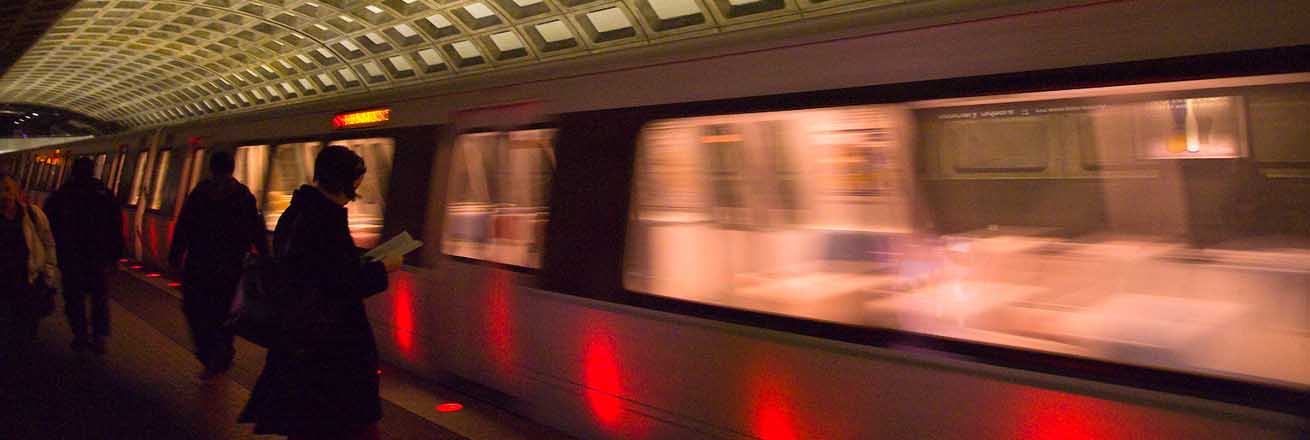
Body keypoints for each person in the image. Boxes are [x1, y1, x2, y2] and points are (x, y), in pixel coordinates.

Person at [239, 146, 403, 439]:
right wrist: (383, 268)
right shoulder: (326, 220)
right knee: (348, 423)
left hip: (298, 340)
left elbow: (313, 271)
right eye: (356, 180)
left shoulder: (296, 212)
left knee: (307, 423)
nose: (357, 188)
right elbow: (339, 284)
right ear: (345, 181)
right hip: (330, 344)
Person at [170, 151, 269, 379]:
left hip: (199, 264)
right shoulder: (244, 196)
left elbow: (184, 227)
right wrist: (264, 257)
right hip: (232, 267)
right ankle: (223, 353)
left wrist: (175, 256)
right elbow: (256, 230)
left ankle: (209, 353)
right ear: (232, 168)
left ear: (211, 168)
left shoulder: (199, 195)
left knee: (196, 309)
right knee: (225, 311)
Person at [43, 157, 122, 354]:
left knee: (73, 297)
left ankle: (80, 334)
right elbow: (116, 227)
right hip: (97, 256)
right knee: (99, 297)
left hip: (70, 256)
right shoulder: (104, 195)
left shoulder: (62, 195)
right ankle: (99, 336)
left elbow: (49, 226)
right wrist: (115, 256)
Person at [0, 172, 59, 357]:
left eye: (8, 189)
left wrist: (49, 278)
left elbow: (49, 246)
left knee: (25, 331)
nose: (4, 195)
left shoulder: (34, 216)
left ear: (18, 191)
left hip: (28, 284)